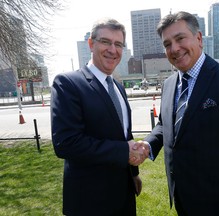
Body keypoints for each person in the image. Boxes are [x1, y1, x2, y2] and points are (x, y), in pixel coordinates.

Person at [142, 11, 219, 216]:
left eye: (180, 38)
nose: (174, 48)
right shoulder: (169, 85)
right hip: (183, 198)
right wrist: (148, 145)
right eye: (167, 44)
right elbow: (165, 125)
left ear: (199, 38)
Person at [51, 18, 148, 216]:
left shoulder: (118, 87)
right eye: (106, 41)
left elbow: (124, 134)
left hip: (124, 194)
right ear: (91, 44)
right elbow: (66, 143)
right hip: (90, 200)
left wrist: (134, 175)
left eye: (118, 44)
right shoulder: (68, 83)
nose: (113, 49)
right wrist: (123, 150)